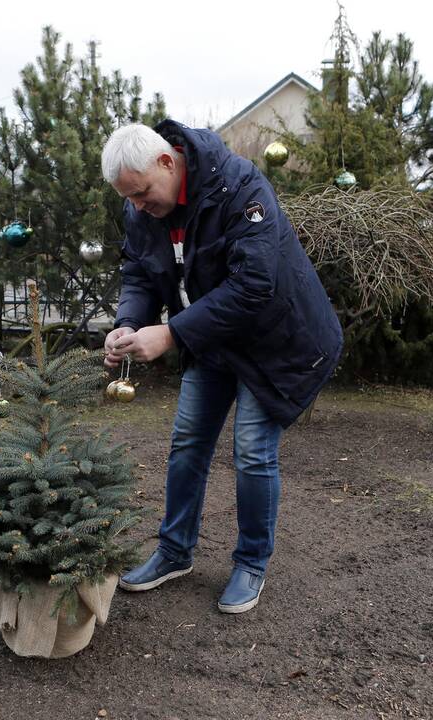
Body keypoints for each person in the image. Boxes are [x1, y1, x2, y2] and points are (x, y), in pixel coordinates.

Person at [100, 121, 343, 614]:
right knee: (188, 441)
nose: (139, 206)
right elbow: (140, 273)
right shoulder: (143, 209)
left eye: (144, 194)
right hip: (211, 339)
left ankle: (251, 562)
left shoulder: (241, 186)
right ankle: (174, 552)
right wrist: (128, 324)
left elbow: (254, 284)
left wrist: (170, 333)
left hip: (275, 340)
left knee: (252, 451)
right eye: (130, 199)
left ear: (168, 161)